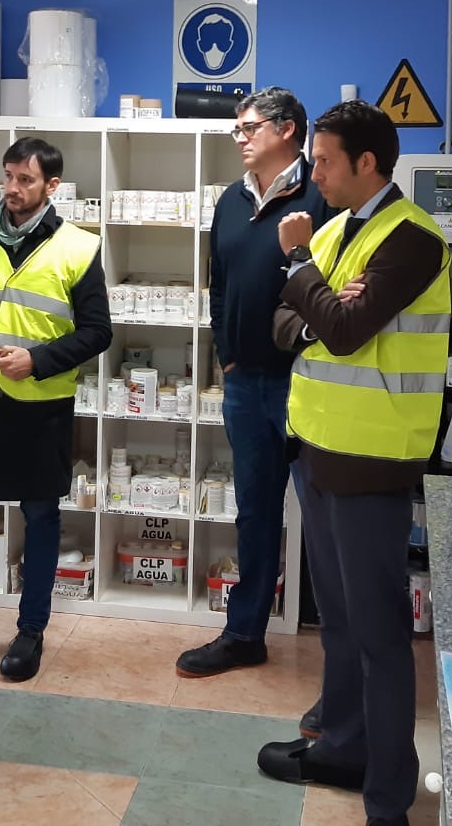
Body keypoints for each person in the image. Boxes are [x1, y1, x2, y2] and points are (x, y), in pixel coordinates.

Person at [255, 100, 452, 826]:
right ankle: (341, 747)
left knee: (379, 636)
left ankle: (388, 797)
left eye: (326, 161)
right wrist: (321, 302)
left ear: (367, 162)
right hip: (318, 447)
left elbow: (342, 329)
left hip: (373, 458)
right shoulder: (338, 230)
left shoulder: (412, 239)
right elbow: (286, 324)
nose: (315, 174)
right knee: (336, 620)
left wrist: (303, 271)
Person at [175, 88, 333, 708]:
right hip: (244, 384)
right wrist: (227, 353)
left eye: (249, 127)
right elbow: (219, 284)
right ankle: (244, 635)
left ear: (288, 130)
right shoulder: (231, 201)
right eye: (236, 130)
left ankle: (341, 655)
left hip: (306, 381)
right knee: (255, 513)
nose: (239, 137)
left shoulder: (321, 196)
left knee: (324, 517)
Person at [0, 137, 111, 682]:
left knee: (40, 519)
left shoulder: (79, 247)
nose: (12, 188)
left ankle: (31, 630)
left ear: (51, 186)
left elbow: (97, 332)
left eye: (26, 180)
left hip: (40, 409)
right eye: (8, 177)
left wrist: (36, 361)